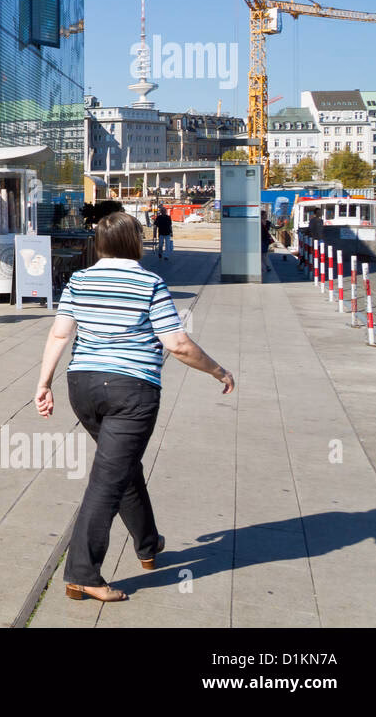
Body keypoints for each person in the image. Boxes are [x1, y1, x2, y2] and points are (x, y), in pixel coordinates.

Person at [35, 212, 235, 602]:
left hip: (83, 386)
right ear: (135, 242)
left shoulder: (79, 279)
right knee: (108, 479)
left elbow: (60, 332)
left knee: (121, 466)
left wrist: (44, 383)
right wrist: (217, 370)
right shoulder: (150, 282)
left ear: (100, 244)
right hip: (131, 391)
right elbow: (177, 344)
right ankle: (82, 574)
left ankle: (147, 544)